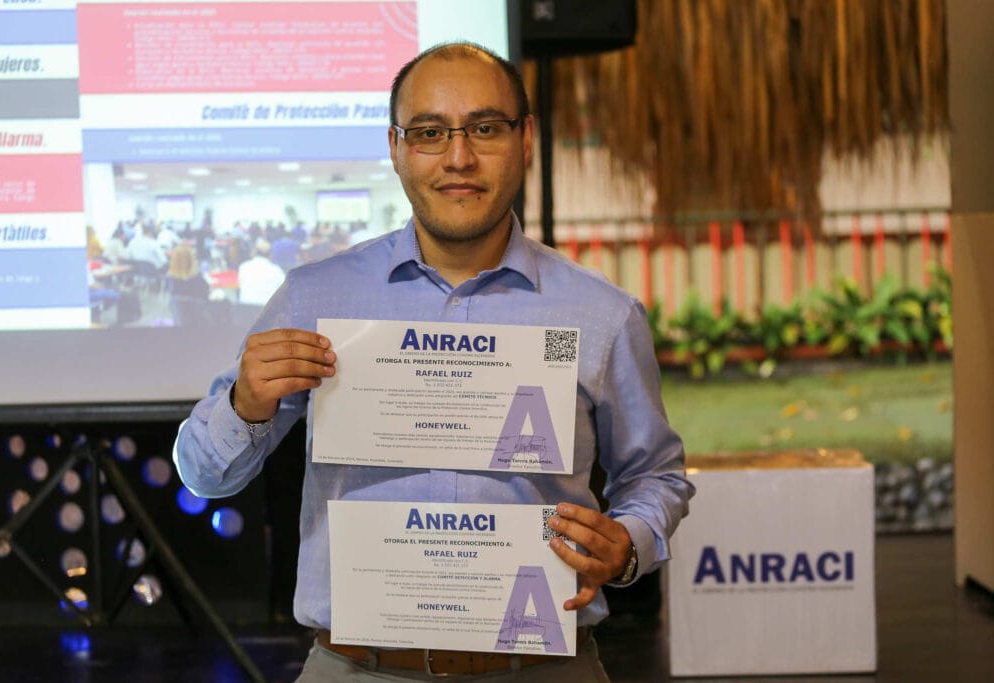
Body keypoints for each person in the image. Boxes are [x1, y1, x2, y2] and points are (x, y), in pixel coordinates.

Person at [174, 42, 693, 682]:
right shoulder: (315, 297)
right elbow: (203, 475)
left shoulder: (602, 316)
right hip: (354, 667)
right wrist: (242, 405)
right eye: (429, 133)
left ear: (525, 139)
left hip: (541, 666)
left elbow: (656, 477)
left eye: (484, 128)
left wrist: (629, 547)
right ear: (396, 147)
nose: (458, 158)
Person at [236, 238, 285, 305]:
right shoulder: (277, 271)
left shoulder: (243, 267)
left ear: (253, 253)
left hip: (245, 311)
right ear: (270, 255)